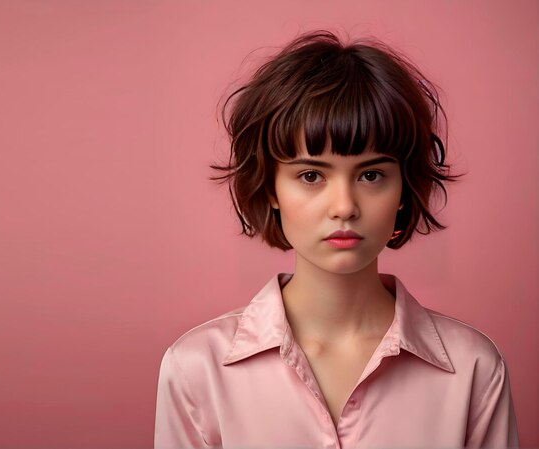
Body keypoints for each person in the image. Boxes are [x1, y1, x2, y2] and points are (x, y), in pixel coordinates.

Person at [154, 31, 519, 449]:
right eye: (311, 176)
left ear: (404, 188)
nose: (344, 206)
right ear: (271, 188)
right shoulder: (196, 369)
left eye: (371, 175)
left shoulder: (472, 369)